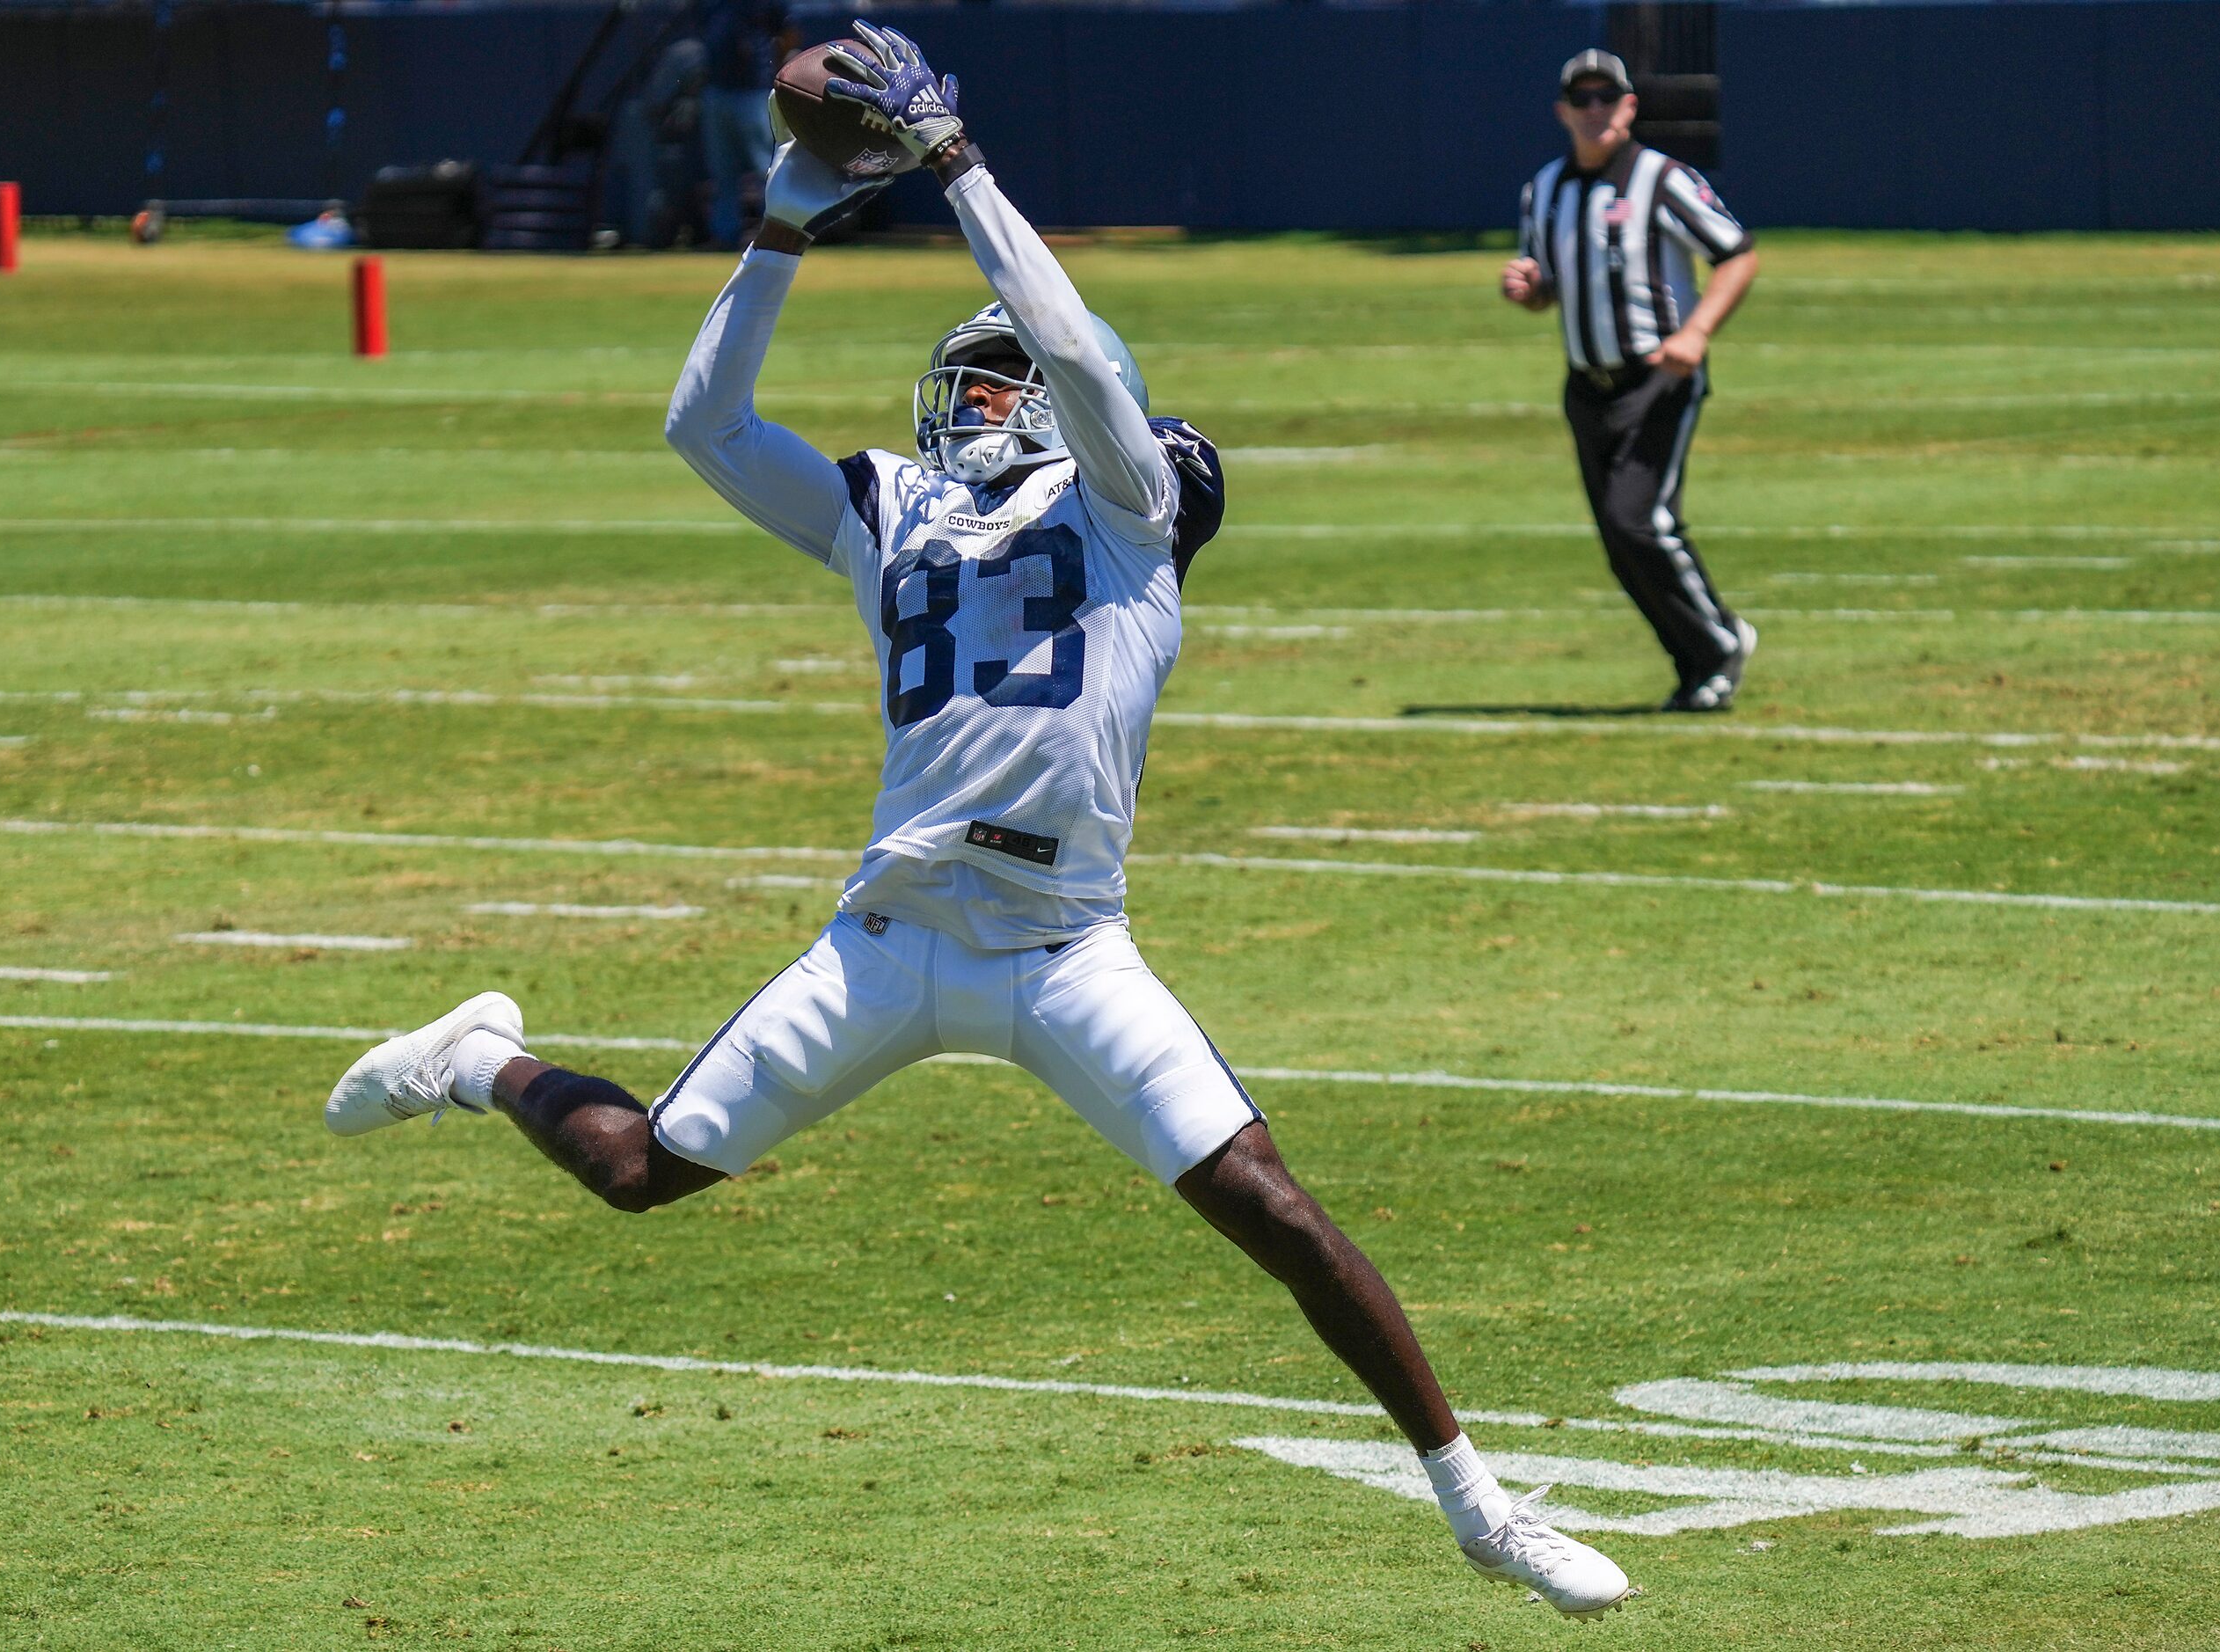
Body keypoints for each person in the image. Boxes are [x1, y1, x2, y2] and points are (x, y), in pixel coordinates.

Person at [324, 25, 1631, 1620]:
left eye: (1011, 368)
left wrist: (959, 168)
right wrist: (781, 226)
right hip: (894, 933)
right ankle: (478, 1059)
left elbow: (1078, 357)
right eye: (978, 372)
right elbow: (704, 428)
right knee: (640, 1170)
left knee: (1271, 1206)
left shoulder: (1133, 509)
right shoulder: (890, 508)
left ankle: (1485, 1509)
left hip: (1066, 947)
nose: (991, 387)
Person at [1504, 48, 1761, 713]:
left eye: (1605, 98)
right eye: (1580, 100)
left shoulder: (1663, 178)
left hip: (1656, 379)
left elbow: (1735, 254)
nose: (1593, 111)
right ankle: (1696, 664)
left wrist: (1696, 330)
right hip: (1586, 384)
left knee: (1638, 520)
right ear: (1562, 111)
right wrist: (1529, 289)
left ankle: (1720, 643)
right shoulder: (1544, 189)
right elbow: (1549, 289)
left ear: (1628, 106)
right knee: (1621, 542)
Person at [699, 0, 792, 249]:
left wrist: (779, 71)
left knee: (766, 167)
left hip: (753, 89)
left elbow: (787, 29)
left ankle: (777, 234)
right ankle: (724, 234)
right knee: (722, 171)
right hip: (717, 89)